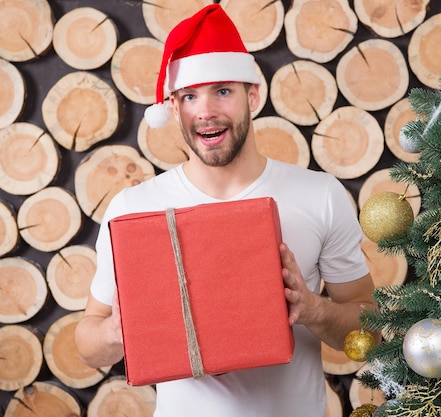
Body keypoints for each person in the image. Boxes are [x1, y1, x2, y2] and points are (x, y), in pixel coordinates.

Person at [74, 4, 377, 416]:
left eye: (222, 91)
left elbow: (371, 328)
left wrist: (315, 310)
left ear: (252, 94)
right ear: (174, 107)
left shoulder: (319, 195)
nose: (205, 111)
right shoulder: (134, 209)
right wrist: (117, 330)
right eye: (189, 96)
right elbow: (87, 345)